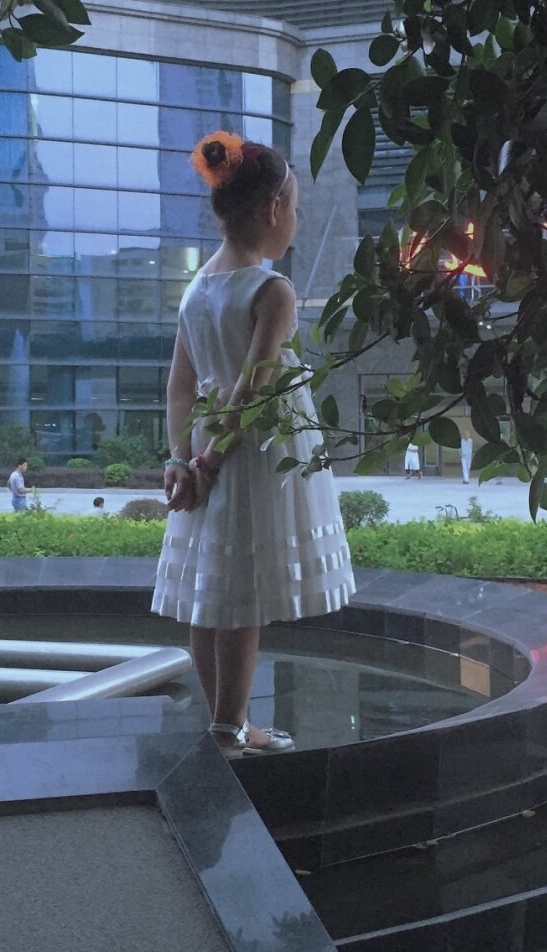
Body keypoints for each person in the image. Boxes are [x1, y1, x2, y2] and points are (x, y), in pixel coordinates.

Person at [151, 131, 356, 758]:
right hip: (253, 453)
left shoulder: (198, 288)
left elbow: (180, 387)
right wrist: (210, 462)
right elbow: (258, 388)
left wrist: (181, 458)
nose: (293, 222)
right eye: (293, 209)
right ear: (272, 210)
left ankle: (221, 720)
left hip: (208, 451)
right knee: (242, 594)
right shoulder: (273, 290)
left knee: (209, 588)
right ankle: (233, 726)